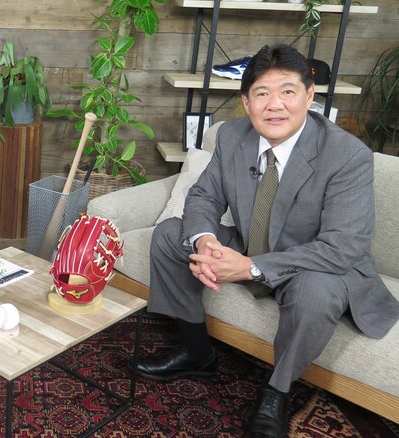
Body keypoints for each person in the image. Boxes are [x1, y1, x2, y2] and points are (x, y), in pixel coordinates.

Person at [135, 44, 399, 437]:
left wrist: (251, 267)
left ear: (309, 95)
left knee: (316, 293)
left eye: (288, 91)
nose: (275, 105)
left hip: (315, 265)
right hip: (253, 244)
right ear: (246, 102)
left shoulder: (347, 155)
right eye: (262, 93)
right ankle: (195, 350)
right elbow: (204, 196)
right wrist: (206, 242)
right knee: (171, 235)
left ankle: (278, 391)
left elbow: (344, 248)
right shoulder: (232, 135)